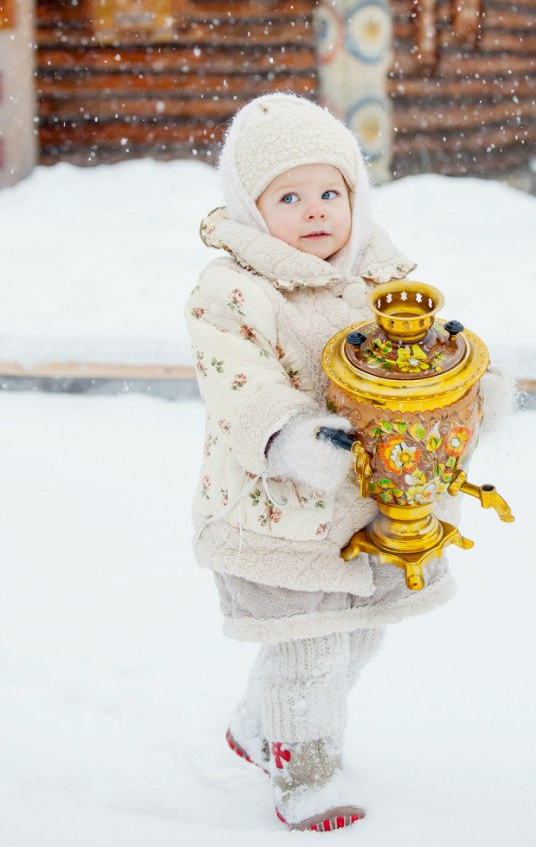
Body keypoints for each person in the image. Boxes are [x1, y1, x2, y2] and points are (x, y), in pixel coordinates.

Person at [186, 93, 511, 832]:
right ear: (249, 207)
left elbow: (426, 360)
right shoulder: (232, 290)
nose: (315, 212)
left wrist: (469, 395)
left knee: (359, 637)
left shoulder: (384, 276)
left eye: (330, 191)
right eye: (289, 196)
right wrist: (291, 437)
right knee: (308, 649)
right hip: (281, 515)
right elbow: (239, 385)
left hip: (378, 510)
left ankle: (255, 724)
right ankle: (307, 774)